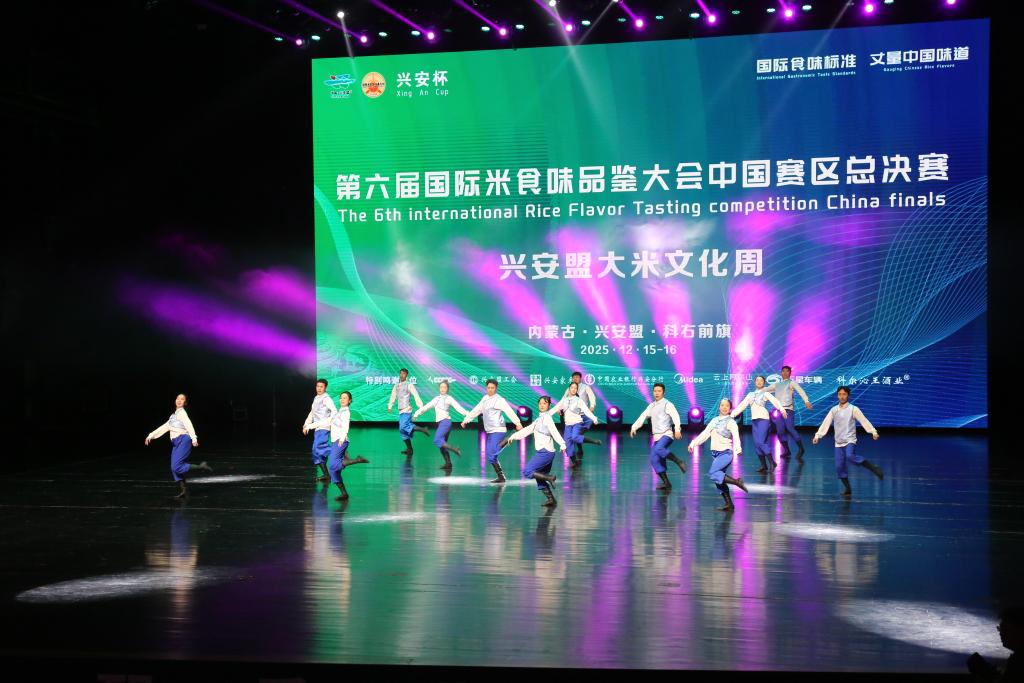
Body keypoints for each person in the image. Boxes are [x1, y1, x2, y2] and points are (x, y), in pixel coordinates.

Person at [812, 386, 883, 498]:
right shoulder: (834, 410)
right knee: (839, 467)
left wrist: (873, 432)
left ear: (848, 396)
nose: (842, 396)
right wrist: (818, 436)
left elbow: (864, 421)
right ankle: (848, 489)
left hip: (850, 440)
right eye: (840, 394)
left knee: (850, 456)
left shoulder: (853, 409)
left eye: (844, 394)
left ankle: (873, 468)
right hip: (838, 442)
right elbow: (826, 423)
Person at [501, 395, 567, 507]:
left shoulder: (547, 418)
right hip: (545, 452)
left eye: (544, 403)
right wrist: (513, 437)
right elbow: (527, 430)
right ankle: (551, 499)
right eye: (540, 403)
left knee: (528, 471)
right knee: (539, 476)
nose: (542, 405)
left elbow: (554, 431)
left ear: (549, 405)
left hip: (545, 453)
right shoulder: (539, 419)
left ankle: (550, 478)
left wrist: (562, 444)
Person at [145, 393, 211, 499]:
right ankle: (184, 491)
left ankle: (200, 466)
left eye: (182, 399)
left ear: (185, 403)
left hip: (183, 440)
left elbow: (189, 425)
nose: (179, 400)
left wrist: (194, 438)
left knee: (177, 466)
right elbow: (165, 427)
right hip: (176, 443)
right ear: (175, 400)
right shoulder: (173, 416)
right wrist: (151, 435)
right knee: (174, 468)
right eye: (178, 398)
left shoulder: (182, 413)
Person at [689, 398, 747, 511]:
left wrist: (738, 448)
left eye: (727, 406)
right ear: (719, 407)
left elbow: (736, 435)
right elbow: (705, 434)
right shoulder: (714, 420)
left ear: (730, 408)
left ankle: (737, 482)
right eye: (722, 405)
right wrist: (693, 443)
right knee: (718, 480)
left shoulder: (731, 422)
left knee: (713, 473)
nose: (724, 407)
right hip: (716, 454)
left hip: (726, 453)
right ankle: (729, 504)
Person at [460, 379, 523, 483]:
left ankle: (510, 437)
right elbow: (476, 410)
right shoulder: (485, 399)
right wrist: (466, 420)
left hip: (498, 429)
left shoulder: (499, 400)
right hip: (490, 431)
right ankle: (501, 477)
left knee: (492, 453)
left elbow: (509, 411)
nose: (490, 390)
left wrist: (517, 423)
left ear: (496, 388)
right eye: (488, 387)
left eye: (492, 388)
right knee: (491, 456)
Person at [629, 383, 686, 491]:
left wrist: (677, 429)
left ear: (663, 392)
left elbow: (675, 416)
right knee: (654, 459)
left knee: (659, 449)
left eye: (659, 391)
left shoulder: (668, 404)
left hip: (666, 434)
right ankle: (666, 483)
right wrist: (634, 427)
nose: (657, 393)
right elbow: (643, 416)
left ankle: (679, 461)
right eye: (655, 391)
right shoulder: (652, 406)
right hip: (657, 437)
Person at [314, 391, 369, 500]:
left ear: (350, 401)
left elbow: (345, 426)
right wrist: (310, 426)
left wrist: (342, 437)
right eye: (341, 398)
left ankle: (356, 460)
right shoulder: (339, 412)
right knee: (335, 470)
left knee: (333, 466)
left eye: (345, 398)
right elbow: (328, 421)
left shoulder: (346, 412)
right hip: (336, 441)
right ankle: (344, 494)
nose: (342, 400)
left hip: (340, 441)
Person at [731, 375, 787, 473]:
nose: (759, 382)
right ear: (755, 382)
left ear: (764, 383)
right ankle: (764, 465)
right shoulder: (750, 394)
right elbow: (742, 406)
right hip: (755, 421)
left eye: (761, 380)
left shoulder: (765, 393)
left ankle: (772, 462)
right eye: (757, 380)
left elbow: (775, 401)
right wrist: (732, 415)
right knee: (757, 444)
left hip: (764, 420)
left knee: (761, 442)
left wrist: (782, 410)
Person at [412, 380, 468, 470]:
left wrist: (467, 415)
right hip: (441, 424)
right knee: (442, 445)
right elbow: (426, 407)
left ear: (447, 389)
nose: (442, 389)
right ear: (439, 388)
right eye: (441, 387)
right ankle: (448, 463)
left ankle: (455, 449)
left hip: (446, 422)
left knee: (437, 440)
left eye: (444, 387)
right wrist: (416, 414)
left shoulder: (449, 398)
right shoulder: (436, 399)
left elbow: (459, 408)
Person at [766, 365, 813, 459]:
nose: (785, 373)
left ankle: (801, 448)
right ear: (781, 373)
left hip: (788, 410)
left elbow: (801, 391)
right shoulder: (777, 385)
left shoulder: (792, 383)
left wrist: (806, 401)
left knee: (790, 428)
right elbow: (766, 390)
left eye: (787, 371)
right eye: (783, 371)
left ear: (790, 373)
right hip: (779, 411)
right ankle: (787, 450)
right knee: (780, 432)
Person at [550, 381, 600, 468]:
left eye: (575, 388)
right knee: (567, 444)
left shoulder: (579, 400)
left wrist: (594, 418)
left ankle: (594, 441)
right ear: (569, 389)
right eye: (572, 388)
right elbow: (555, 409)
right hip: (568, 425)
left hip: (577, 423)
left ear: (577, 390)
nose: (573, 389)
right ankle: (575, 462)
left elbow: (586, 411)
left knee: (575, 437)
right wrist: (545, 416)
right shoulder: (564, 400)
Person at [967, 606, 1023, 681]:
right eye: (1000, 628)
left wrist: (987, 674)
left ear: (1020, 629)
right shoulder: (1016, 660)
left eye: (1005, 628)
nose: (1000, 633)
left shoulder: (1018, 662)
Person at [387, 368, 429, 455]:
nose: (402, 375)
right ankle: (409, 449)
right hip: (401, 411)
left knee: (403, 427)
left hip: (407, 409)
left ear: (407, 375)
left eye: (404, 374)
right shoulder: (397, 385)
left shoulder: (409, 385)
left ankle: (423, 429)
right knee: (402, 431)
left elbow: (416, 395)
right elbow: (393, 396)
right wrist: (390, 405)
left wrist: (420, 406)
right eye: (401, 373)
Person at [302, 378, 336, 482]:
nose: (319, 388)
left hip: (324, 427)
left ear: (325, 388)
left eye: (321, 387)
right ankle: (326, 475)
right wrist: (306, 424)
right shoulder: (316, 398)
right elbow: (312, 413)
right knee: (318, 452)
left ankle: (341, 452)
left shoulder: (326, 399)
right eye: (317, 386)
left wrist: (328, 421)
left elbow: (335, 411)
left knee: (317, 449)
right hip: (317, 428)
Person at [562, 371, 602, 461]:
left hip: (584, 415)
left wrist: (592, 407)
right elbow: (564, 399)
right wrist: (560, 409)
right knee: (575, 435)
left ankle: (581, 448)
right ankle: (577, 453)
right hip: (573, 416)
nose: (575, 379)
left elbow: (592, 397)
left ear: (580, 378)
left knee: (577, 434)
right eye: (573, 377)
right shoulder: (569, 388)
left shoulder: (585, 387)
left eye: (577, 377)